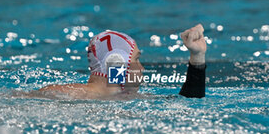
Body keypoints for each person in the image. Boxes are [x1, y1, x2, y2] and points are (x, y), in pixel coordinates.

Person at [27, 24, 206, 99]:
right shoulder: (62, 95)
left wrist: (197, 57)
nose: (142, 68)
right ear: (118, 64)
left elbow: (189, 104)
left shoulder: (129, 99)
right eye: (137, 59)